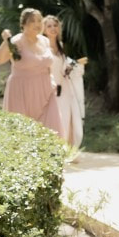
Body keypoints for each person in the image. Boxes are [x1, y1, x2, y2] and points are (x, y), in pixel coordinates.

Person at [0, 8, 63, 137]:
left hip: (46, 91)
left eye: (39, 20)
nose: (37, 24)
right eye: (32, 21)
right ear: (23, 24)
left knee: (51, 131)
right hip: (21, 91)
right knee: (21, 133)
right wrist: (6, 41)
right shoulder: (16, 41)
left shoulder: (45, 41)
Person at [43, 15, 88, 153]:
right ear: (44, 29)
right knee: (53, 118)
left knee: (67, 117)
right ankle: (51, 149)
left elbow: (63, 67)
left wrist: (73, 65)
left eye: (55, 25)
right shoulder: (42, 46)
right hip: (50, 89)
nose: (53, 28)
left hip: (64, 88)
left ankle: (66, 149)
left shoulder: (61, 45)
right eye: (49, 26)